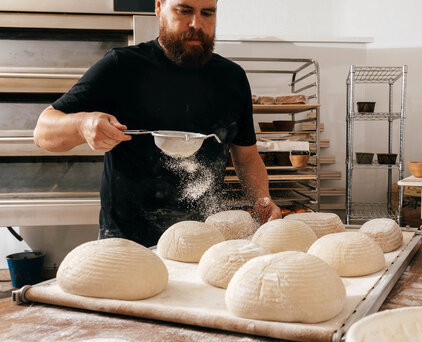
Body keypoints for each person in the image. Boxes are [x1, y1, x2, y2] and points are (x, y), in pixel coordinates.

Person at [33, 0, 281, 247]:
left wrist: (263, 201)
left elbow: (247, 157)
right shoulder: (122, 66)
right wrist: (82, 125)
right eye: (184, 11)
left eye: (208, 12)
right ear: (159, 7)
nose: (196, 23)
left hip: (202, 239)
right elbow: (43, 131)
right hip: (127, 242)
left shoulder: (232, 79)